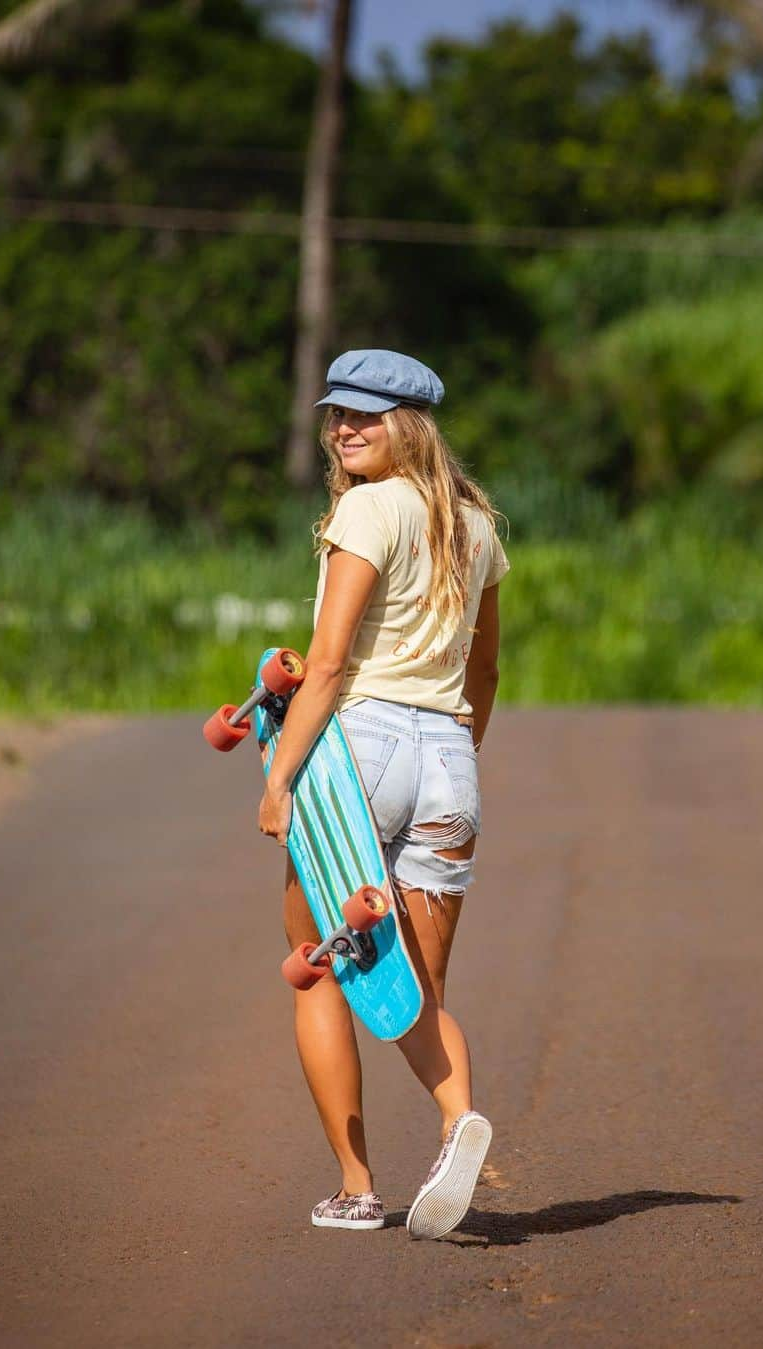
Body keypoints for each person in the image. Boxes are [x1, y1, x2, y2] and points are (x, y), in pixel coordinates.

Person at [257, 349, 509, 1239]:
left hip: (358, 749)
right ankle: (457, 1122)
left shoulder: (367, 507)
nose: (343, 428)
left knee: (322, 968)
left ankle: (358, 1187)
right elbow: (483, 666)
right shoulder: (475, 524)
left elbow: (327, 664)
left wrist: (281, 776)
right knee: (408, 987)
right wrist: (457, 753)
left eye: (364, 414)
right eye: (335, 413)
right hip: (448, 759)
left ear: (409, 424)